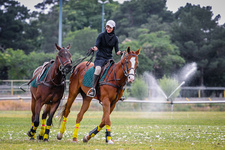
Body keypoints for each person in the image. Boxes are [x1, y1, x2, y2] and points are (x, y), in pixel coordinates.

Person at [87, 20, 122, 97]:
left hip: (109, 59)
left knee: (115, 70)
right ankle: (93, 89)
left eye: (110, 27)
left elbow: (117, 51)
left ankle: (118, 91)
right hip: (100, 58)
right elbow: (96, 46)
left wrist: (122, 53)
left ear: (113, 28)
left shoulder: (115, 38)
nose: (108, 29)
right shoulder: (101, 35)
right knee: (98, 69)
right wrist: (94, 48)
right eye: (107, 27)